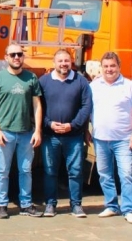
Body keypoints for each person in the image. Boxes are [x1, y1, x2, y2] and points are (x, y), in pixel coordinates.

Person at [0, 44, 43, 219]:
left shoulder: (31, 78)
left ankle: (26, 204)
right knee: (2, 171)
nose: (17, 57)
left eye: (19, 54)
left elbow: (37, 105)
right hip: (6, 133)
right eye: (13, 54)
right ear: (6, 57)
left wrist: (37, 131)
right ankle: (2, 205)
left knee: (25, 170)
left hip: (26, 133)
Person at [88, 52, 132, 224]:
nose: (109, 69)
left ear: (119, 67)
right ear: (101, 68)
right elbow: (87, 110)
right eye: (106, 66)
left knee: (126, 174)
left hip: (124, 139)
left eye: (112, 66)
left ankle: (128, 209)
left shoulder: (129, 85)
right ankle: (111, 206)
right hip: (100, 138)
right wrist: (86, 131)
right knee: (104, 174)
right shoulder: (94, 85)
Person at [39, 49, 92, 218]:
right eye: (60, 61)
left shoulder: (81, 82)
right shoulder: (44, 81)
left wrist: (73, 125)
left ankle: (76, 205)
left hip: (73, 136)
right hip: (50, 135)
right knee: (49, 171)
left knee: (75, 171)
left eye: (67, 61)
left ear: (71, 63)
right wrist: (48, 123)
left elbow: (86, 107)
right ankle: (50, 204)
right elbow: (38, 107)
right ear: (54, 63)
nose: (63, 64)